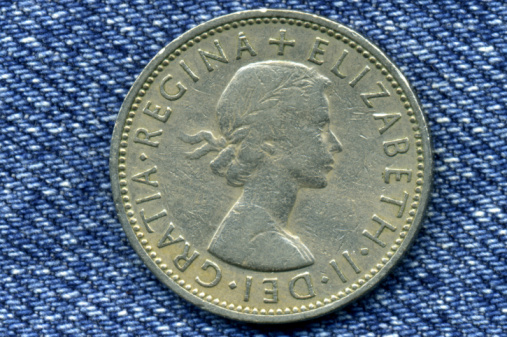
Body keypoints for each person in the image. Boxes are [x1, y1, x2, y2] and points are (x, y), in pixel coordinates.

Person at [181, 61, 342, 271]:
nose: (336, 145)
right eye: (319, 127)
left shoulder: (262, 233)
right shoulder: (264, 243)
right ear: (269, 141)